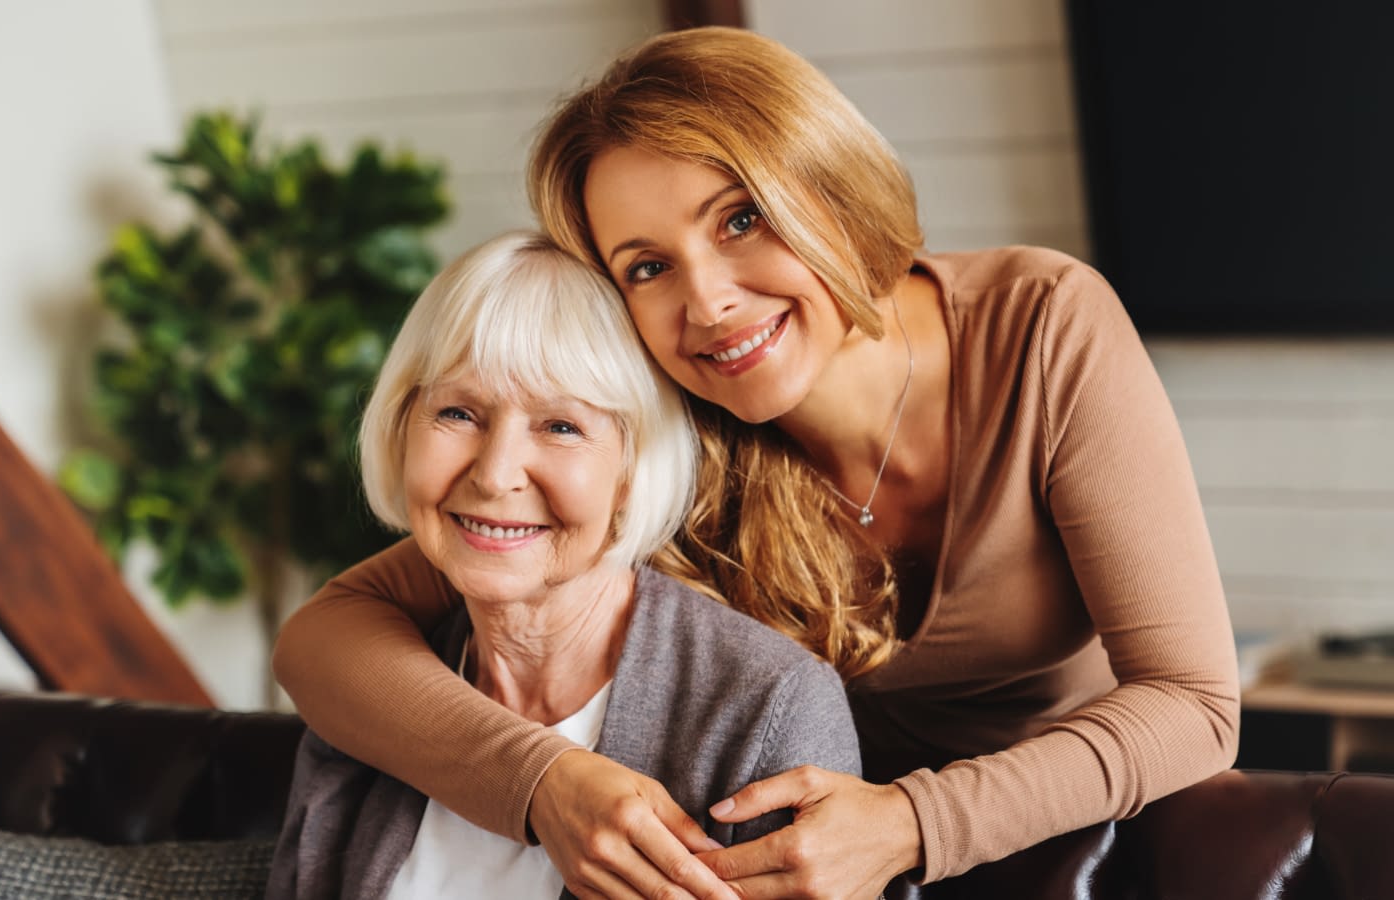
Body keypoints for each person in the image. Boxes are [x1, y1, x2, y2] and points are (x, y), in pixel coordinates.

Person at [273, 27, 1240, 900]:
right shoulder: (670, 428)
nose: (708, 302)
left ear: (830, 188)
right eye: (647, 266)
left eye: (740, 220)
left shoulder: (1041, 327)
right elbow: (325, 638)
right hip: (797, 863)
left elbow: (1195, 705)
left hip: (1078, 843)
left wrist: (908, 824)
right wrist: (540, 782)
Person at [265, 230, 862, 900]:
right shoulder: (368, 703)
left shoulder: (768, 707)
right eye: (457, 412)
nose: (495, 475)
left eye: (561, 427)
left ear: (633, 467)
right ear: (401, 427)